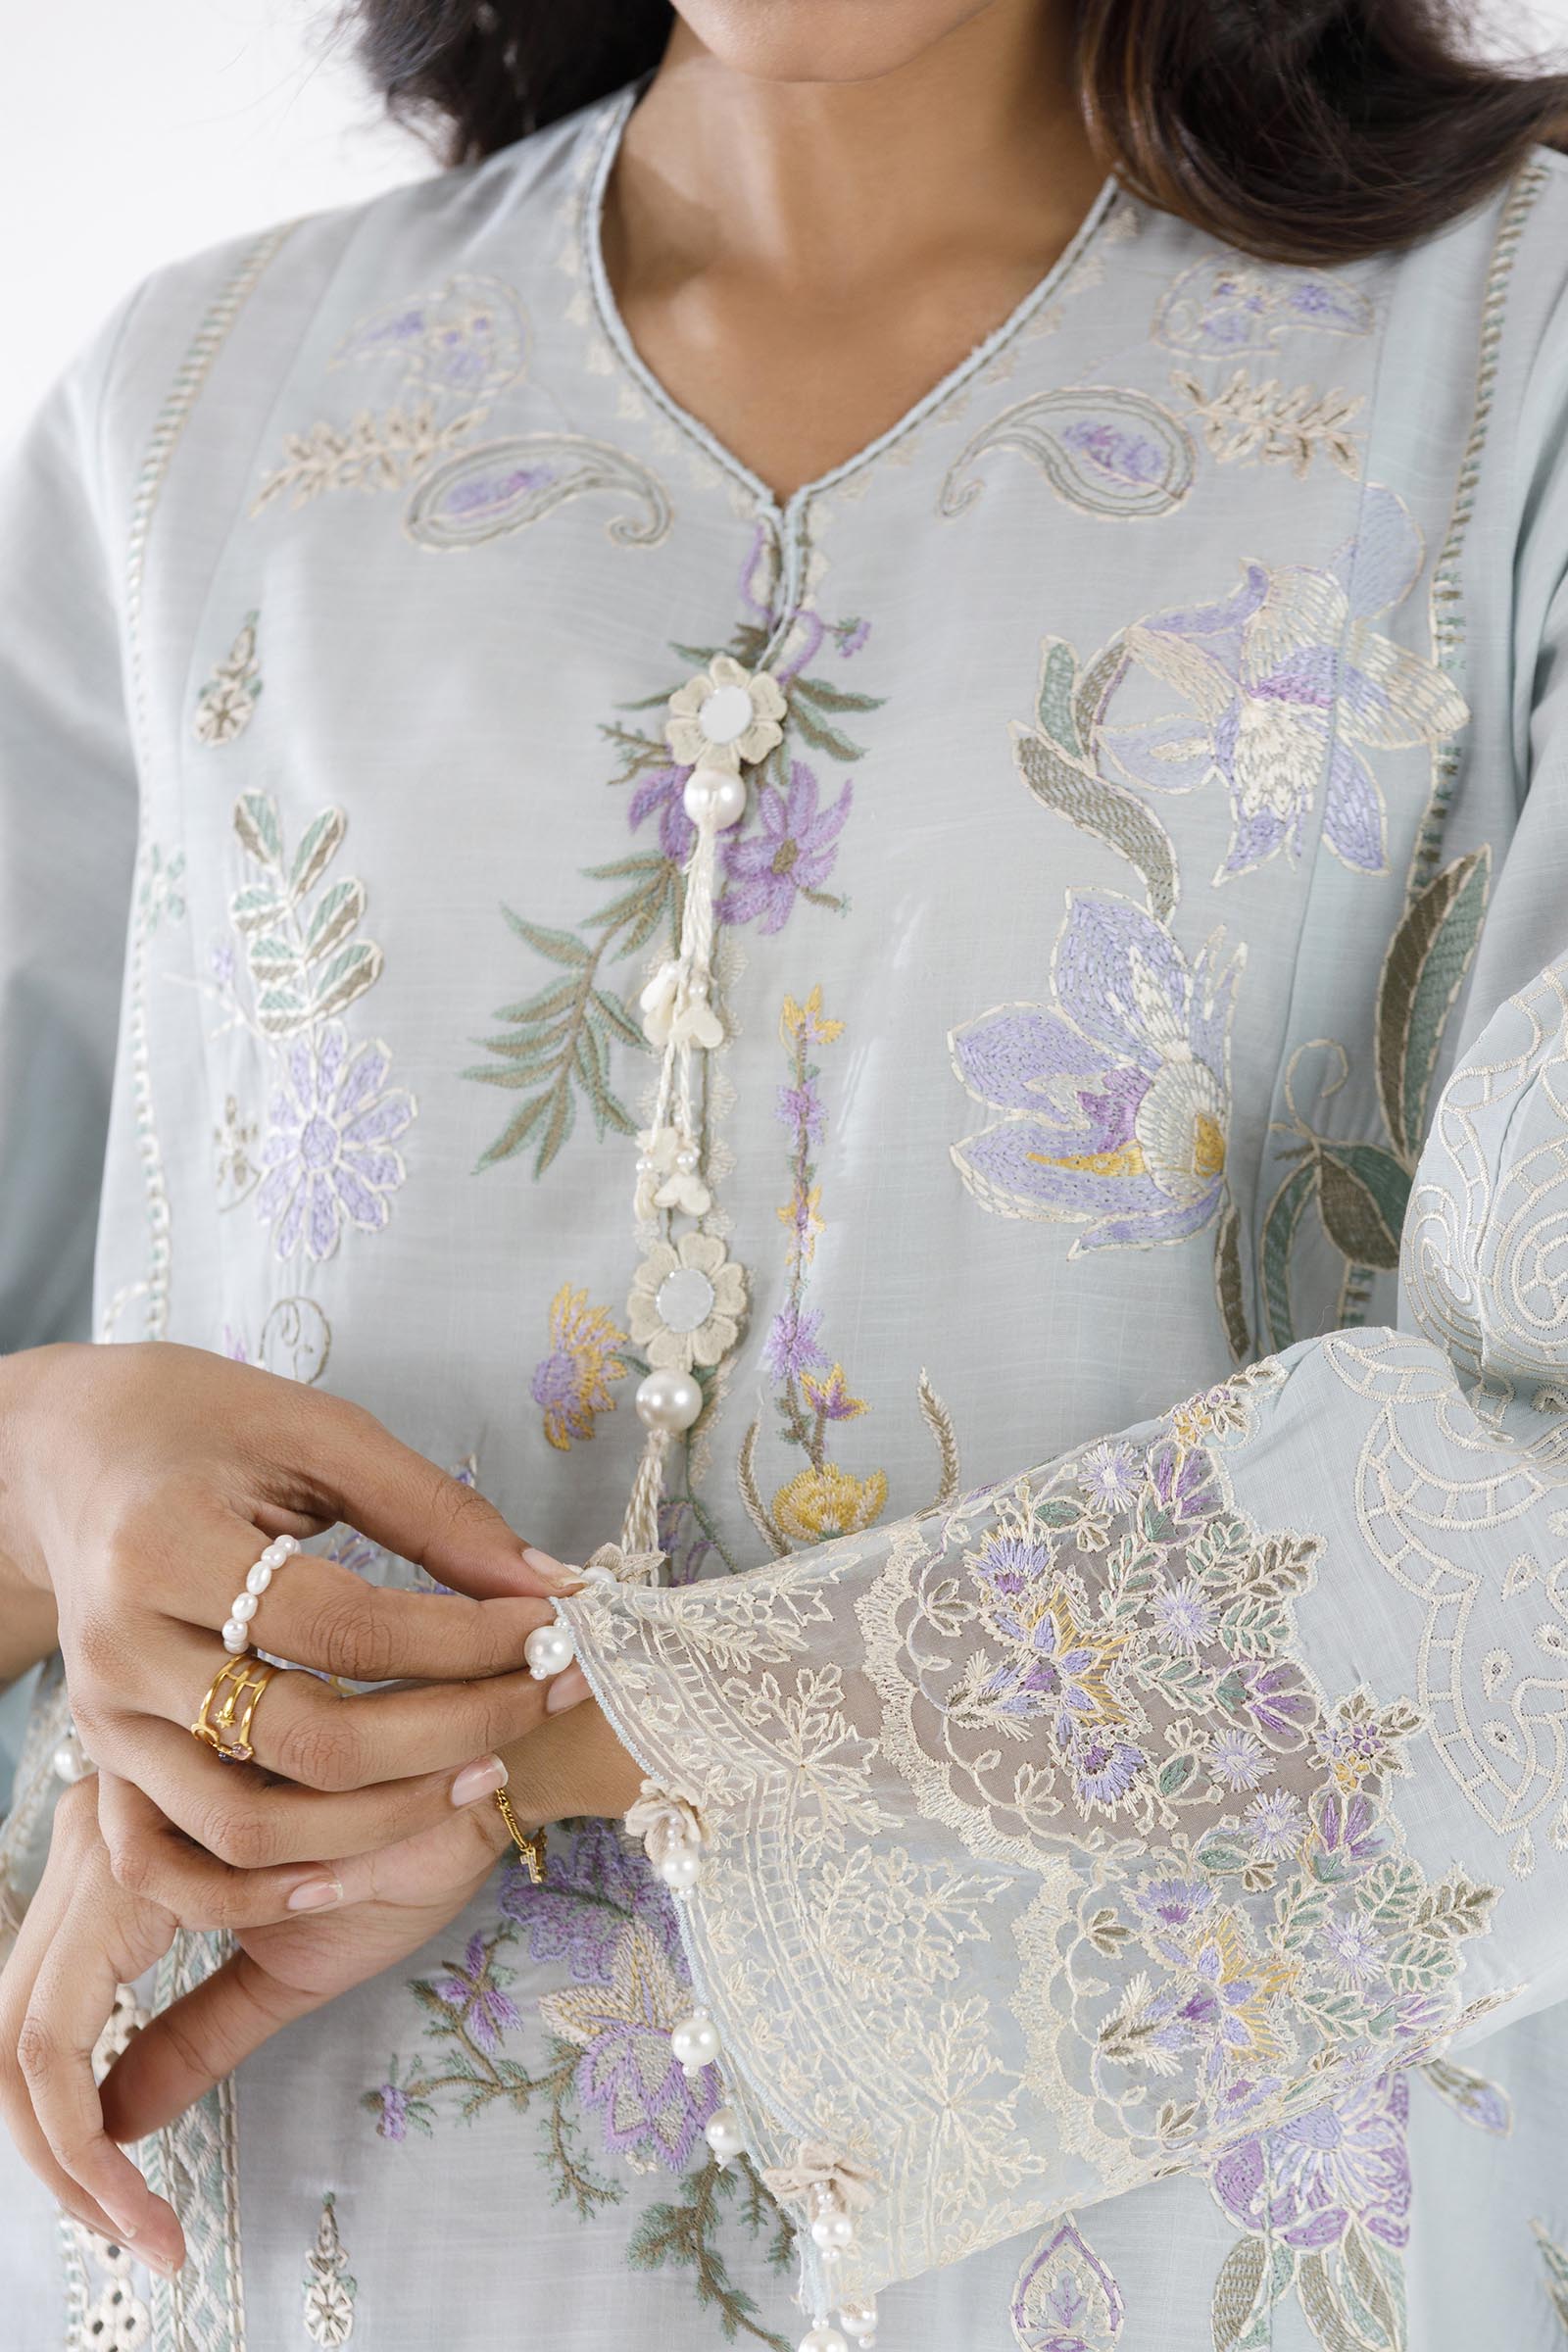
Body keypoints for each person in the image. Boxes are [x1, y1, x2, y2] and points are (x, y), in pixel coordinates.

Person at [2, 0, 1568, 2344]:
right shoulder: (196, 413)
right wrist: (50, 1468)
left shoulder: (1511, 367)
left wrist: (535, 1740)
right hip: (281, 2238)